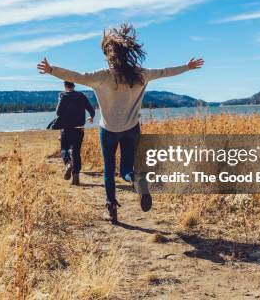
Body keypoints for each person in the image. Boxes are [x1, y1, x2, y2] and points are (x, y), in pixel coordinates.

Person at [37, 23, 204, 224]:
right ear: (128, 53)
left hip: (108, 130)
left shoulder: (101, 76)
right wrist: (187, 67)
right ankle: (136, 180)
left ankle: (112, 208)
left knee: (108, 170)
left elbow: (76, 76)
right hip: (131, 129)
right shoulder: (141, 74)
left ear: (109, 54)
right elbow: (165, 72)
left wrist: (51, 69)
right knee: (126, 169)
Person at [53, 81, 95, 186]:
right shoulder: (81, 96)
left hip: (66, 128)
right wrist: (91, 117)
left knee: (64, 149)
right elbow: (91, 109)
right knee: (76, 152)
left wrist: (60, 99)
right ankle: (76, 176)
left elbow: (58, 112)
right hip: (79, 128)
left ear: (65, 86)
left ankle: (67, 164)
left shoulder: (64, 96)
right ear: (74, 86)